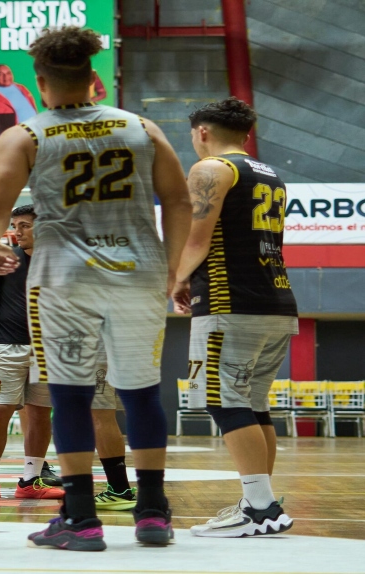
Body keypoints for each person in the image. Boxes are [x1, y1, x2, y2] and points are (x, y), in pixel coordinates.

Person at [0, 27, 191, 550]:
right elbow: (180, 201)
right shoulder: (142, 128)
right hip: (137, 272)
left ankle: (81, 519)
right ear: (95, 78)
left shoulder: (25, 136)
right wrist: (175, 270)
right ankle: (153, 512)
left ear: (40, 82)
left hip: (63, 279)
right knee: (140, 393)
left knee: (69, 397)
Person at [172, 97, 296, 537]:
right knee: (253, 404)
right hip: (276, 301)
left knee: (222, 400)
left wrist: (175, 280)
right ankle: (259, 501)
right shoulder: (271, 174)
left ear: (202, 132)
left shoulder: (210, 168)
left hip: (230, 302)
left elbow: (197, 238)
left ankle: (260, 508)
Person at [0, 205, 64, 501]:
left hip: (49, 350)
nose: (16, 232)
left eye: (24, 226)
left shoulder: (62, 262)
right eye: (15, 225)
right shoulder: (3, 260)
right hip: (7, 347)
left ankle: (31, 480)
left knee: (41, 413)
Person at [91, 369, 137, 510]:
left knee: (99, 414)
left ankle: (119, 489)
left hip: (96, 356)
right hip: (131, 358)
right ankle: (153, 489)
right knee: (138, 408)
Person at [0, 64, 39, 139]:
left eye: (8, 73)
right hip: (10, 140)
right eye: (0, 74)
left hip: (34, 136)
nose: (6, 77)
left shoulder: (22, 88)